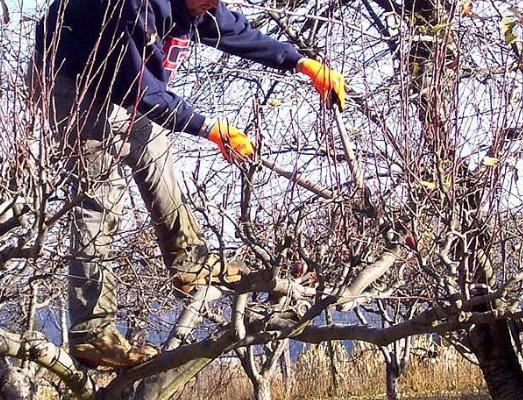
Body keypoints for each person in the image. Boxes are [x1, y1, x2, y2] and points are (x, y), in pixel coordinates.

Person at [30, 0, 345, 368]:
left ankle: (189, 262)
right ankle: (92, 333)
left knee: (155, 149)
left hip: (120, 81)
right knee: (100, 194)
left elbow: (235, 32)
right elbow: (141, 92)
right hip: (71, 81)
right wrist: (211, 130)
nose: (213, 5)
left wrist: (300, 62)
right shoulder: (134, 6)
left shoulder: (198, 5)